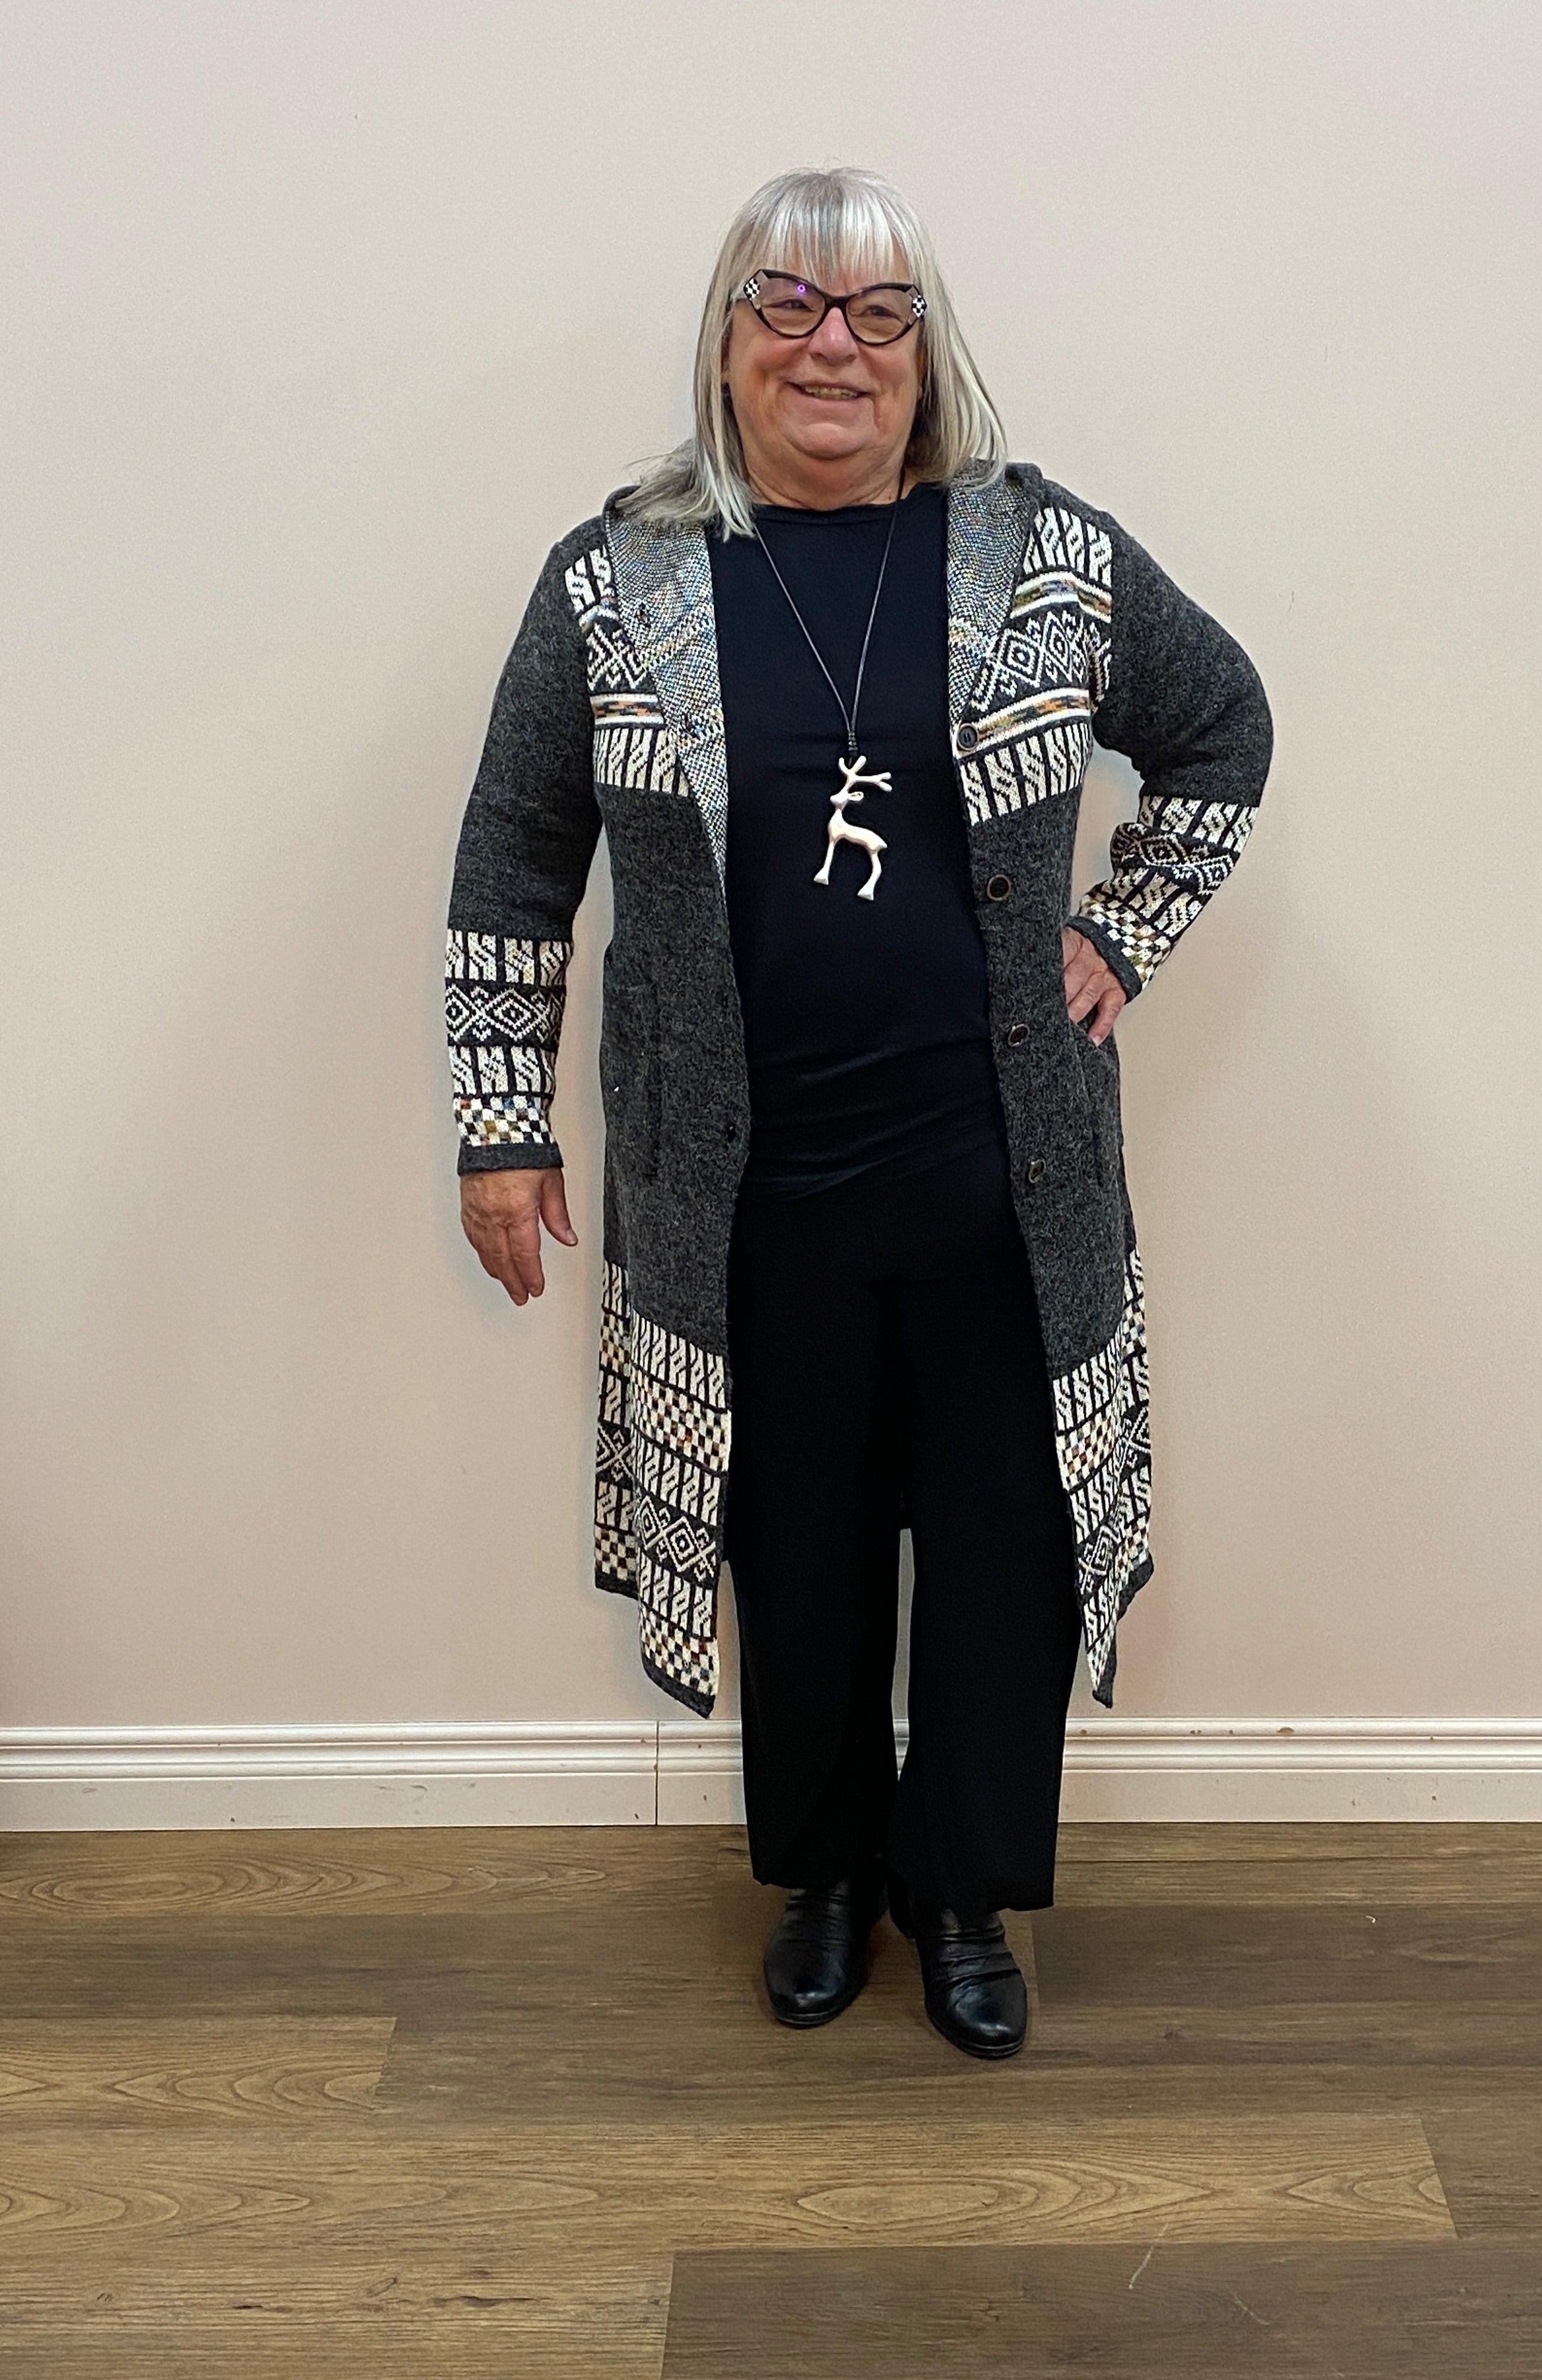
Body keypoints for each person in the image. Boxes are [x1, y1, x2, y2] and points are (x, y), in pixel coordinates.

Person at [445, 165, 1273, 2059]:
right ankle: (825, 1874)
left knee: (1000, 1551)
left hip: (1003, 1187)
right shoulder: (617, 583)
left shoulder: (1041, 555)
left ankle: (964, 1893)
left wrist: (1126, 930)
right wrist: (503, 1122)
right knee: (797, 1547)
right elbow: (515, 852)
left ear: (928, 347)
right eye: (791, 305)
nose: (836, 345)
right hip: (749, 1198)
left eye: (880, 311)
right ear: (729, 340)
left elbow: (1223, 723)